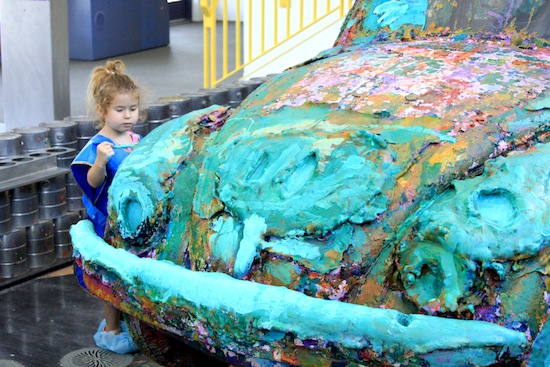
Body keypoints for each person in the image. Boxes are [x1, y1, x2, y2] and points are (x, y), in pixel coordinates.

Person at [71, 59, 141, 354]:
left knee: (135, 273)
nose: (128, 116)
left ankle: (139, 325)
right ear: (103, 111)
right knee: (112, 275)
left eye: (133, 109)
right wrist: (100, 161)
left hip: (137, 221)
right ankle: (112, 328)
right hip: (110, 222)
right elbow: (92, 182)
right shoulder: (97, 145)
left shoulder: (136, 138)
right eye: (120, 109)